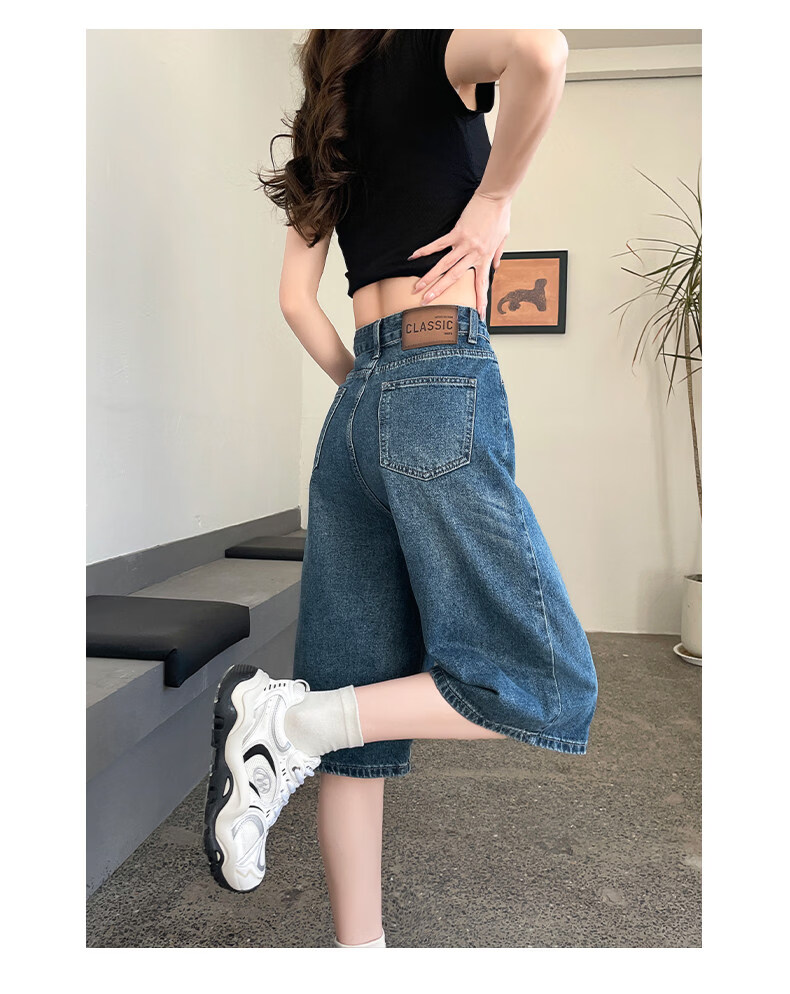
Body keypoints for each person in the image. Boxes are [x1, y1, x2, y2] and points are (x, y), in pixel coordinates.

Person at [203, 28, 598, 949]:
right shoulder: (429, 43)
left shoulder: (326, 115)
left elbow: (295, 299)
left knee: (360, 720)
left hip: (356, 410)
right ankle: (288, 720)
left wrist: (370, 400)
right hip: (438, 373)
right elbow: (543, 49)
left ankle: (361, 953)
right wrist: (494, 197)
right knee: (542, 681)